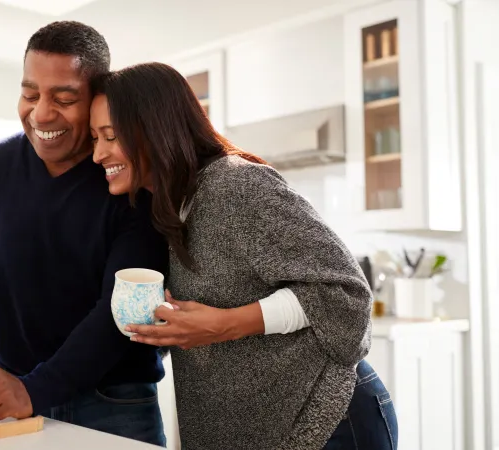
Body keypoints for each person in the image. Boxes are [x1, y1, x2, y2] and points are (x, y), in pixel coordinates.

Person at [90, 62, 399, 450]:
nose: (98, 154)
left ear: (154, 127)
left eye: (110, 136)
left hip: (325, 421)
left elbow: (345, 295)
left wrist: (225, 324)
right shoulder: (167, 208)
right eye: (93, 138)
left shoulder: (236, 186)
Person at [0, 22, 169, 447]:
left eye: (64, 98)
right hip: (13, 392)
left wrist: (36, 389)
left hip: (112, 403)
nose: (41, 113)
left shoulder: (127, 177)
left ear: (97, 100)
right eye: (30, 94)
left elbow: (119, 313)